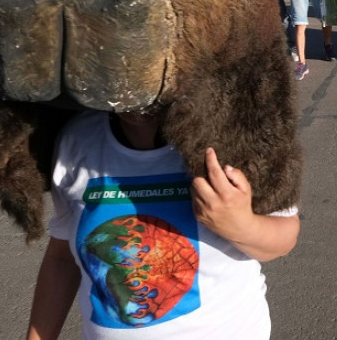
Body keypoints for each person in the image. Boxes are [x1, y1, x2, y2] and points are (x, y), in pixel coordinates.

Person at [26, 108, 299, 339]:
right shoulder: (78, 141)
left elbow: (285, 236)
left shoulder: (233, 135)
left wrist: (241, 225)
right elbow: (61, 258)